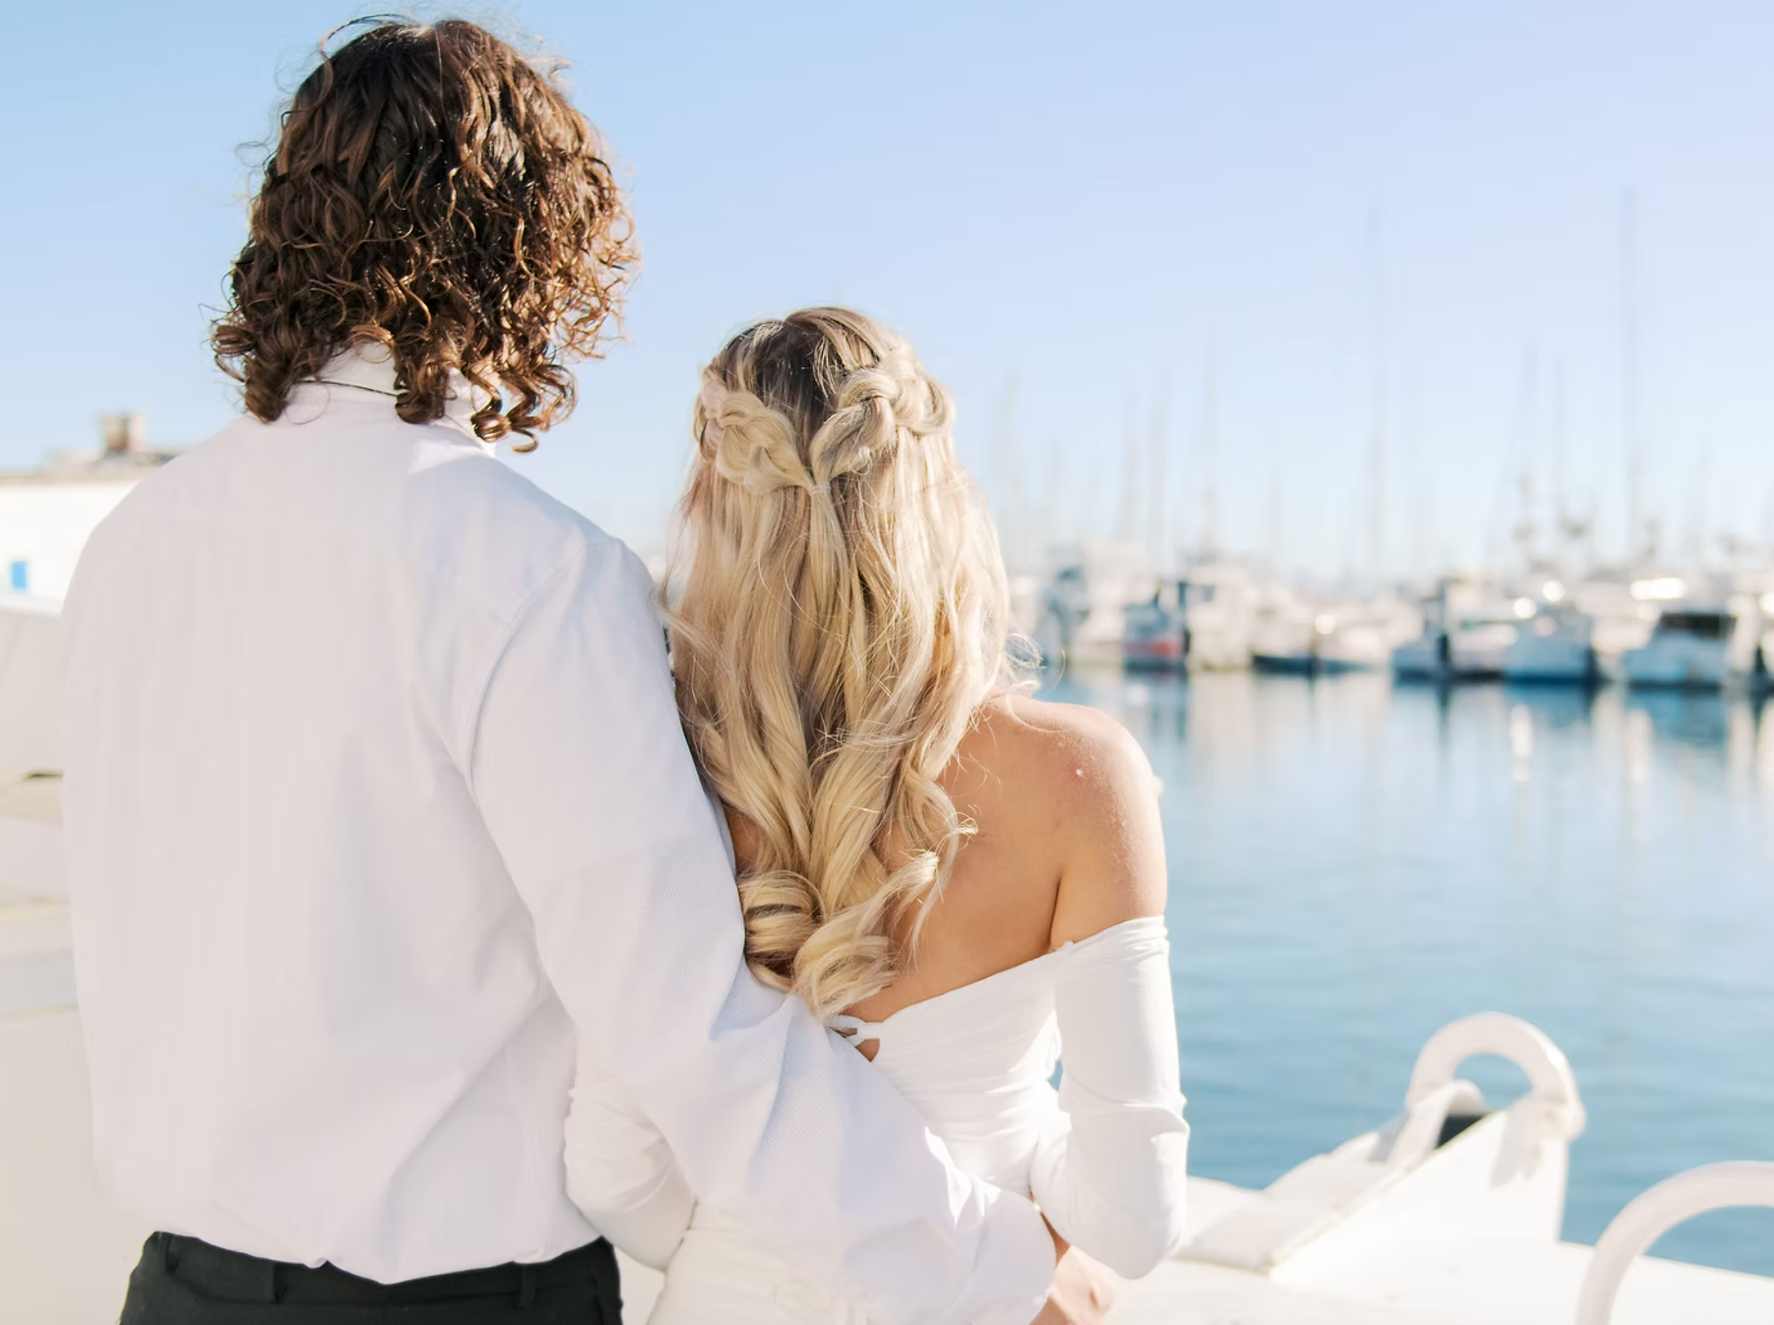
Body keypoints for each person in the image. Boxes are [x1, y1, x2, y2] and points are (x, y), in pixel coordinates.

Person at [60, 19, 1100, 1325]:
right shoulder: (530, 577)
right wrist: (986, 1265)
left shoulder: (133, 546)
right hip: (458, 1303)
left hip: (178, 1290)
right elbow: (686, 1027)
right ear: (530, 252)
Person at [563, 309, 1189, 1323]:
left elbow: (614, 1174)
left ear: (712, 501)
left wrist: (758, 1235)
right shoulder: (1081, 776)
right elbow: (1131, 1218)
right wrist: (1003, 1230)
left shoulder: (652, 765)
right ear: (935, 498)